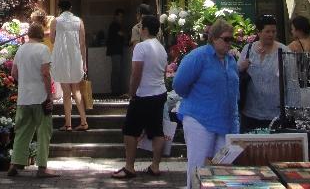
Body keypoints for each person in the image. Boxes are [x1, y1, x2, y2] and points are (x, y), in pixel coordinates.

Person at [173, 19, 239, 189]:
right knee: (198, 167)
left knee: (222, 169)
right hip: (199, 119)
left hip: (225, 122)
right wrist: (198, 99)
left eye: (232, 39)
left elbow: (233, 91)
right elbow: (179, 85)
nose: (229, 43)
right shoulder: (198, 56)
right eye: (226, 39)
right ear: (214, 38)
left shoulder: (230, 60)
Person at [112, 15, 167, 180]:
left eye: (141, 26)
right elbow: (163, 72)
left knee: (130, 130)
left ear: (145, 29)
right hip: (159, 92)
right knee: (157, 130)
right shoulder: (161, 48)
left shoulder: (141, 47)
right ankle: (155, 165)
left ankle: (129, 166)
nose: (139, 29)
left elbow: (136, 72)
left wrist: (132, 92)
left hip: (144, 93)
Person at [8, 22, 57, 178]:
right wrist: (49, 95)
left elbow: (14, 73)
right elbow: (45, 73)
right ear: (41, 35)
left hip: (23, 97)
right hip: (40, 97)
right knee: (43, 132)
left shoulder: (21, 50)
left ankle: (14, 163)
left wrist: (25, 82)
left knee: (22, 131)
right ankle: (42, 168)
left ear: (29, 34)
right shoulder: (43, 49)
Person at [237, 14, 289, 132]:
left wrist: (290, 110)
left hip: (275, 113)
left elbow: (291, 82)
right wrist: (241, 66)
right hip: (250, 111)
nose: (271, 34)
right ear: (259, 32)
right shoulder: (248, 49)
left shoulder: (284, 51)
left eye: (273, 31)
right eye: (267, 31)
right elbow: (236, 72)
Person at [50, 0, 88, 131]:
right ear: (70, 8)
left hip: (61, 58)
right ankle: (83, 121)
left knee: (66, 92)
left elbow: (52, 40)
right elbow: (83, 43)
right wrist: (84, 62)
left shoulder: (55, 21)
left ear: (59, 8)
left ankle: (68, 124)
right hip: (76, 58)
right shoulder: (79, 21)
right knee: (76, 90)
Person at [107, 8, 126, 96]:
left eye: (122, 17)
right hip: (115, 51)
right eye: (120, 16)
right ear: (116, 16)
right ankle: (115, 91)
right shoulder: (115, 25)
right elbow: (121, 34)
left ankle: (116, 90)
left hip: (116, 50)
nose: (121, 18)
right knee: (116, 71)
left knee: (116, 71)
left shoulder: (115, 25)